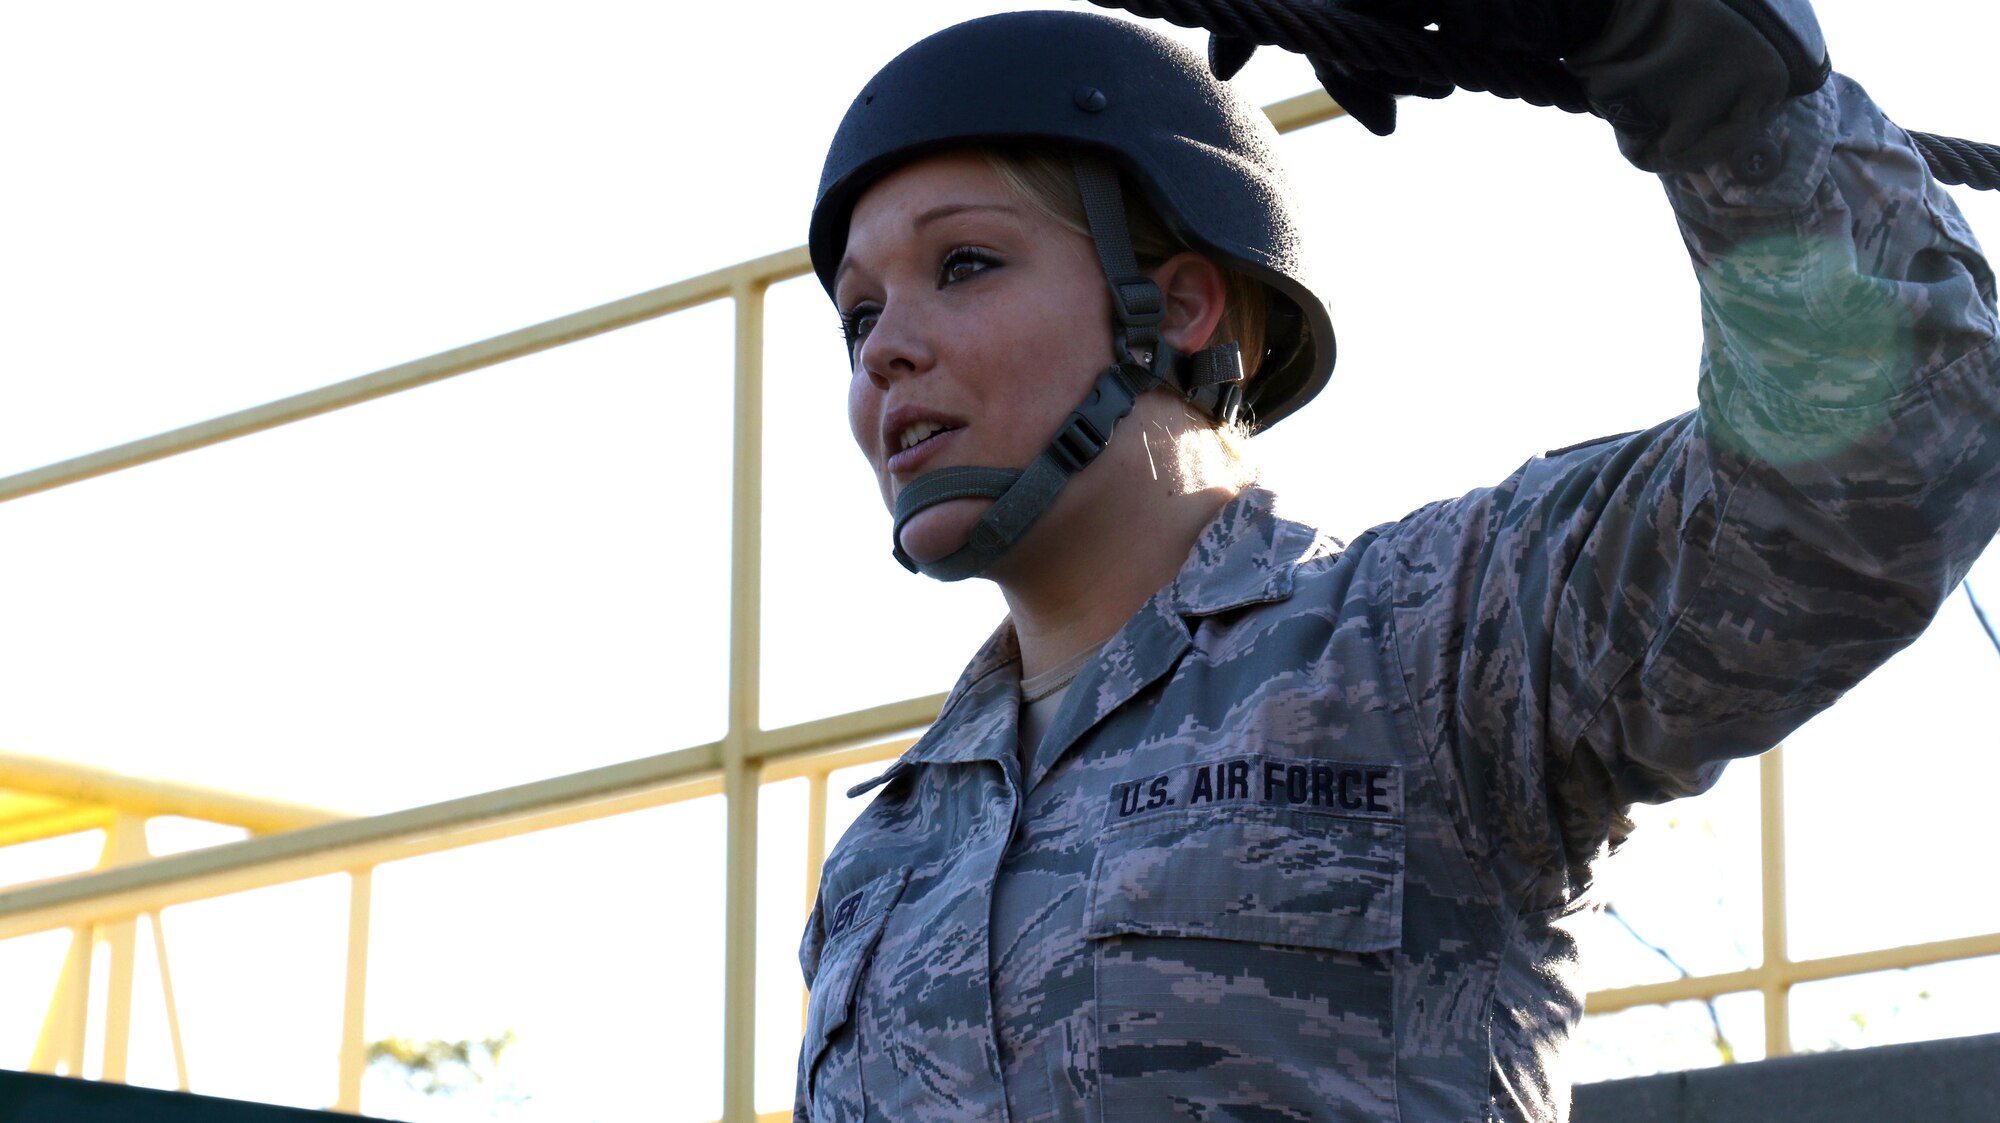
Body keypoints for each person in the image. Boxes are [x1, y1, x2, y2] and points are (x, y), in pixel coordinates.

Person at [795, 3, 2000, 1120]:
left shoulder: (1423, 643)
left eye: (963, 264)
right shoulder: (884, 855)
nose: (884, 353)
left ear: (1179, 307)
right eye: (857, 316)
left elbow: (1866, 481)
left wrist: (1716, 82)